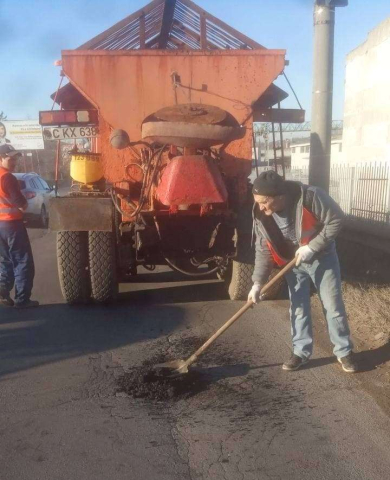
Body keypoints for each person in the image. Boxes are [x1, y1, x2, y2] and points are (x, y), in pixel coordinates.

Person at [248, 170, 358, 373]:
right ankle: (300, 352)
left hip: (322, 257)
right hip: (292, 262)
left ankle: (344, 351)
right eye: (258, 202)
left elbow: (336, 219)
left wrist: (312, 247)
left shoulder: (310, 196)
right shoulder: (259, 213)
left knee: (332, 306)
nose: (261, 207)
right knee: (298, 308)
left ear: (279, 197)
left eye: (264, 202)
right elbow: (263, 249)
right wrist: (257, 283)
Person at [0, 144, 39, 308]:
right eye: (10, 158)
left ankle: (2, 292)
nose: (14, 161)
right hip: (12, 224)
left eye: (15, 158)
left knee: (5, 260)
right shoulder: (8, 177)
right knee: (22, 261)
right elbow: (20, 203)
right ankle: (22, 299)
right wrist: (24, 206)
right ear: (1, 158)